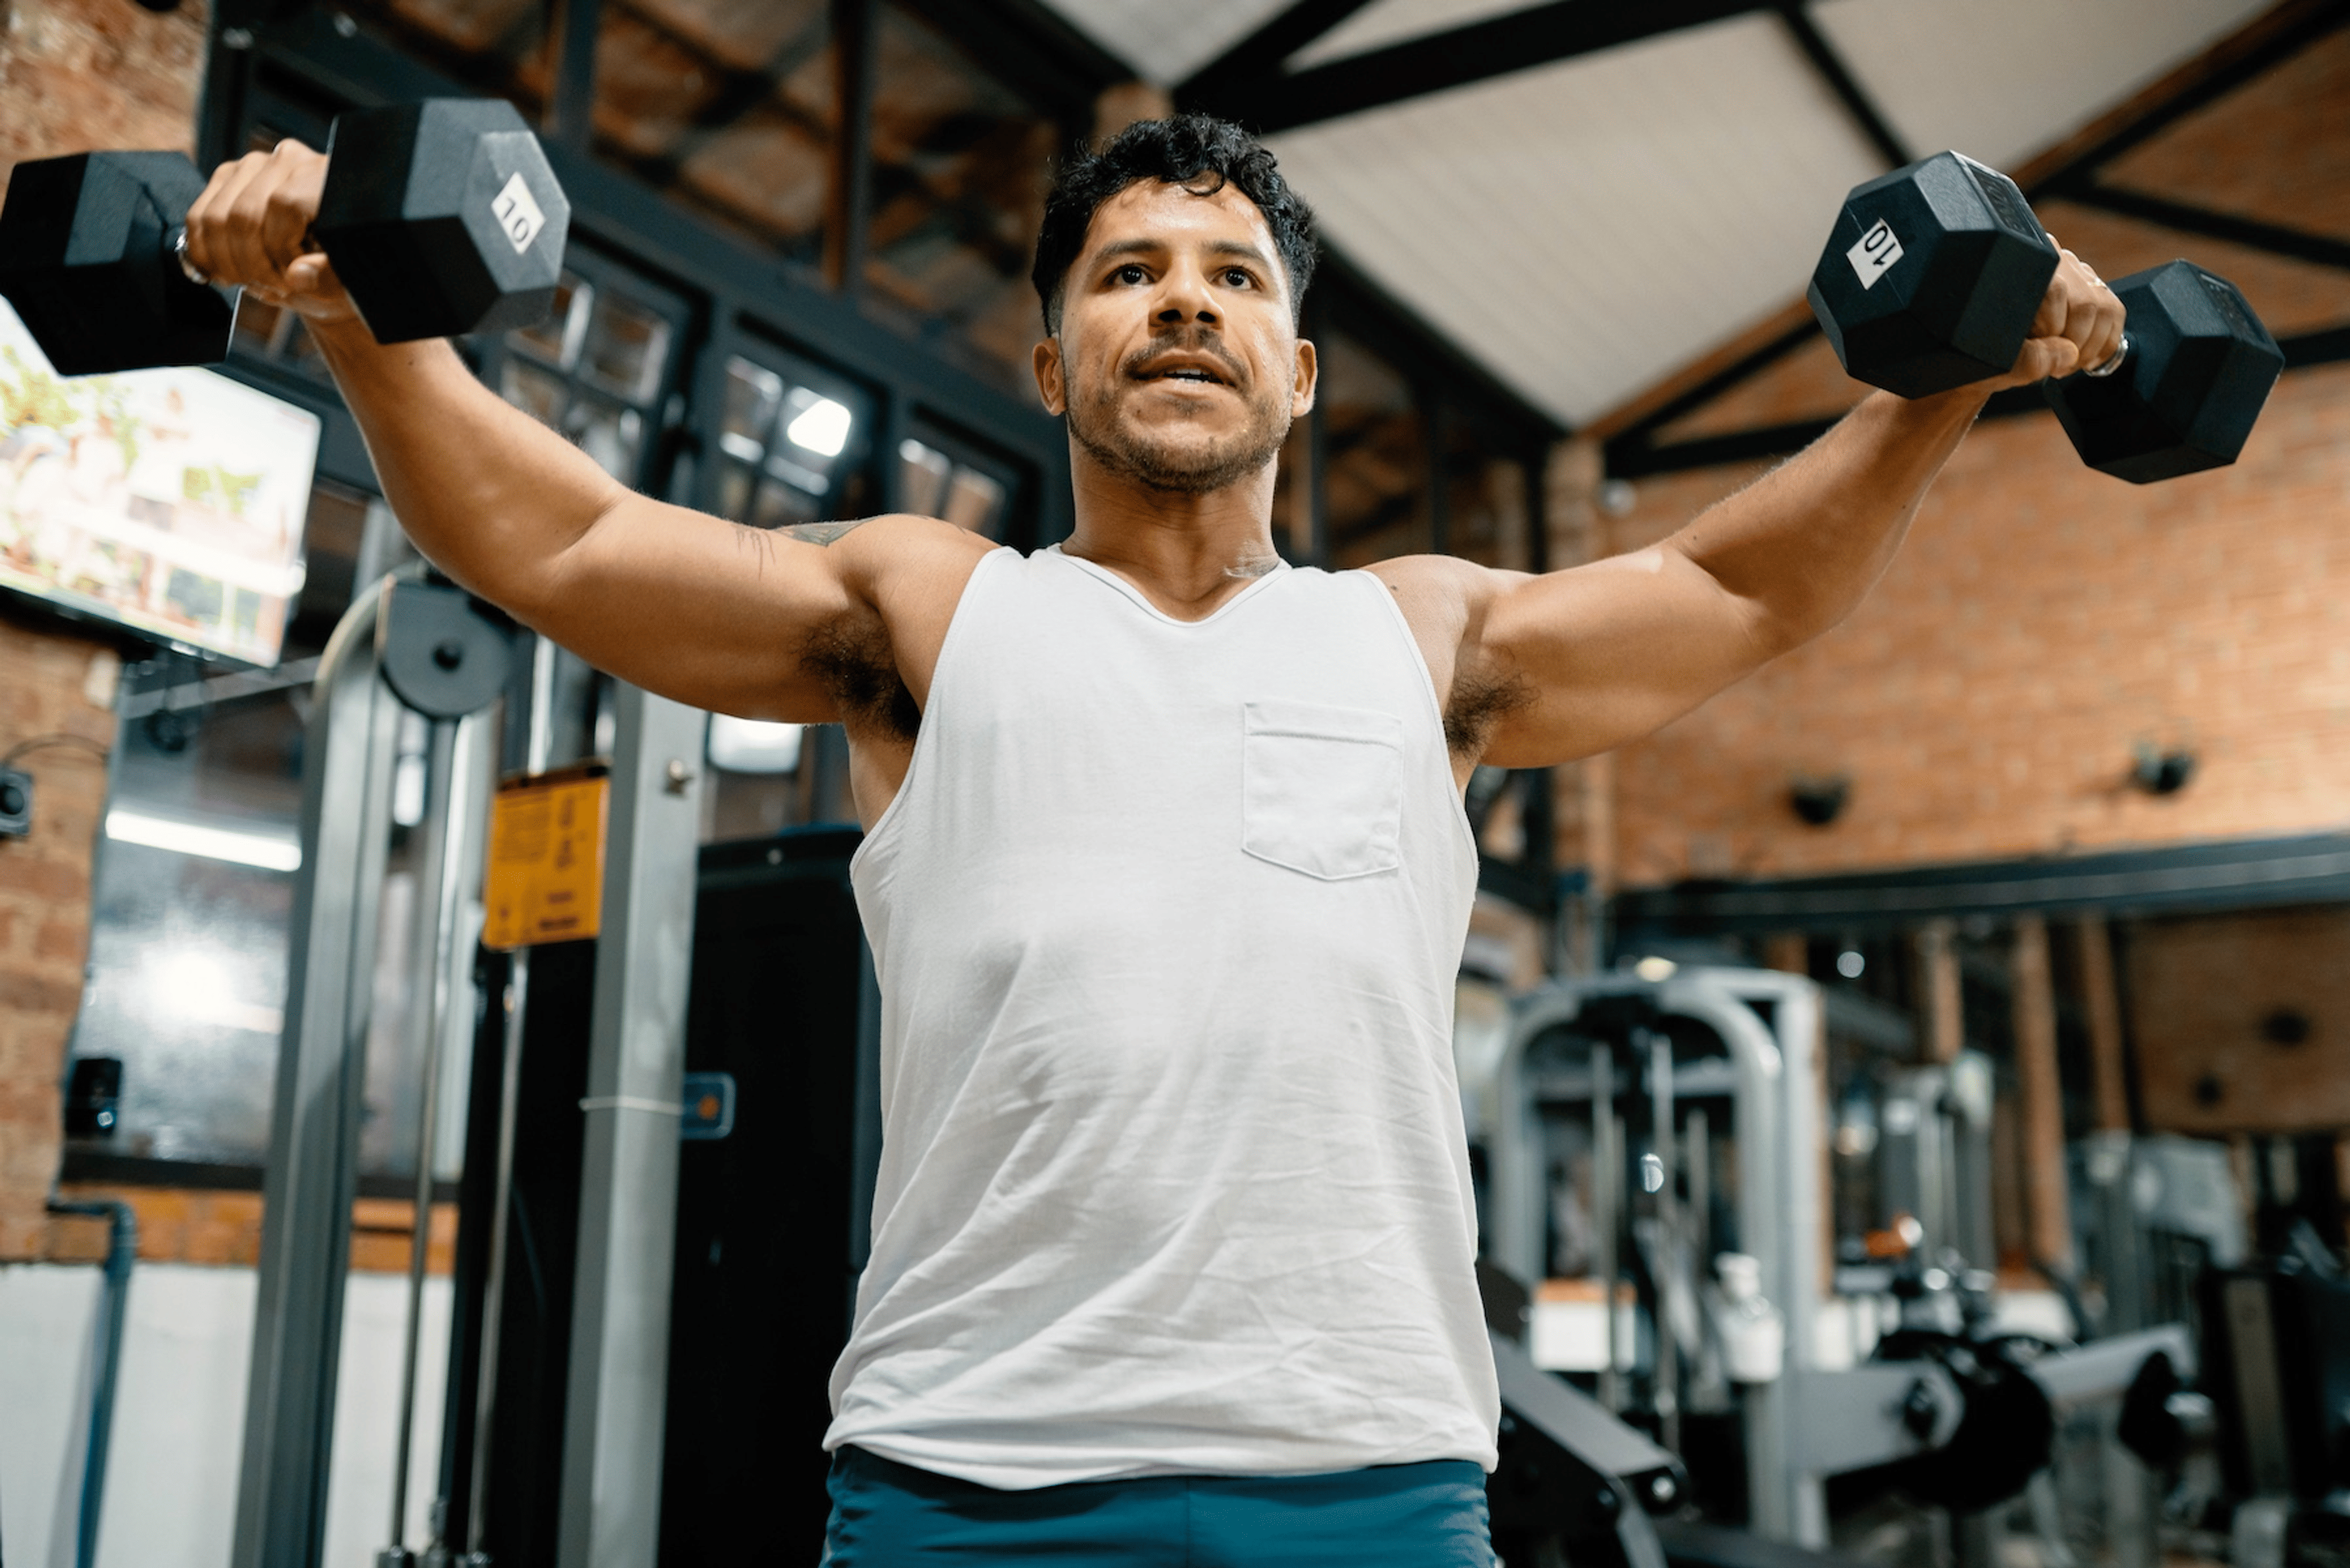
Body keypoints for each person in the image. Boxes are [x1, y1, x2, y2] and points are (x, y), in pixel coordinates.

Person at [182, 113, 2123, 1566]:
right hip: (975, 1476)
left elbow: (1735, 581)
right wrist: (363, 327)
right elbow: (574, 540)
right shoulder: (934, 607)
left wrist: (1942, 391)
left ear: (1293, 372)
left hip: (1371, 1481)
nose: (1182, 300)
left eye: (1233, 279)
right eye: (1126, 275)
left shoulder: (1429, 636)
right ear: (1051, 365)